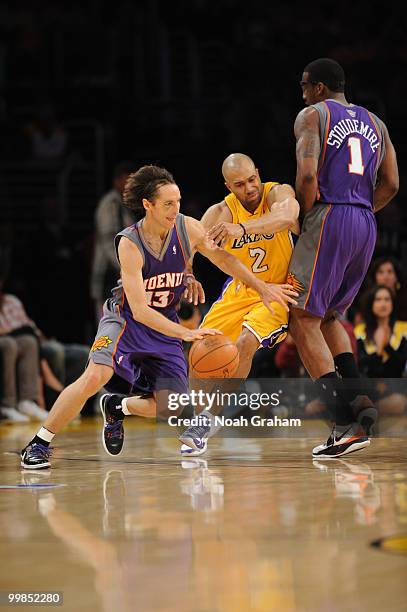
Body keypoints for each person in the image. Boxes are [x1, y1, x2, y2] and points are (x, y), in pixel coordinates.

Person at [20, 165, 292, 469]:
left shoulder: (188, 228)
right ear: (147, 205)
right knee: (96, 375)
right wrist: (185, 334)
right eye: (167, 204)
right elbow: (139, 309)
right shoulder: (129, 243)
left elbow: (223, 258)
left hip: (163, 324)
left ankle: (117, 407)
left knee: (172, 407)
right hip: (125, 320)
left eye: (178, 201)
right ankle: (40, 442)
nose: (176, 209)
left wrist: (261, 286)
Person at [287, 58, 399, 458]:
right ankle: (361, 403)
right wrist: (363, 209)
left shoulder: (312, 115)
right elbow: (392, 183)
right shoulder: (376, 123)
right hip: (365, 221)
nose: (301, 92)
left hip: (329, 214)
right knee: (331, 315)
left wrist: (305, 217)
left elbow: (306, 177)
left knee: (300, 318)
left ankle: (343, 422)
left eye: (304, 85)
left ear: (319, 87)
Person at [178, 153, 300, 454]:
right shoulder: (221, 211)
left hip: (277, 290)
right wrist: (188, 272)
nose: (249, 188)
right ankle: (201, 417)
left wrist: (243, 229)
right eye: (239, 184)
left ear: (258, 173)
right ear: (228, 186)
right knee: (201, 348)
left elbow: (289, 216)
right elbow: (188, 243)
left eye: (251, 179)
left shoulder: (275, 193)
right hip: (240, 290)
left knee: (246, 341)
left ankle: (210, 417)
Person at [90, 161, 136, 320]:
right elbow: (108, 241)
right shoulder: (109, 204)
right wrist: (124, 265)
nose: (131, 184)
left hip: (121, 273)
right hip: (108, 272)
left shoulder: (125, 205)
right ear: (117, 181)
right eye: (127, 180)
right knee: (108, 325)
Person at [0, 280, 49, 422]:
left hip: (12, 338)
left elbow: (29, 326)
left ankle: (26, 401)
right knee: (9, 345)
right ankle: (7, 405)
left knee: (28, 342)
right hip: (7, 341)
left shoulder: (11, 301)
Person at [354, 285, 407, 415]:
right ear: (371, 304)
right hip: (368, 390)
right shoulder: (360, 332)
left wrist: (386, 346)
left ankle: (365, 411)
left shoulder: (403, 330)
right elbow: (361, 366)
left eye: (387, 299)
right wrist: (379, 351)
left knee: (398, 402)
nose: (383, 303)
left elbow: (400, 365)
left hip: (397, 391)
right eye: (378, 299)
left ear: (392, 303)